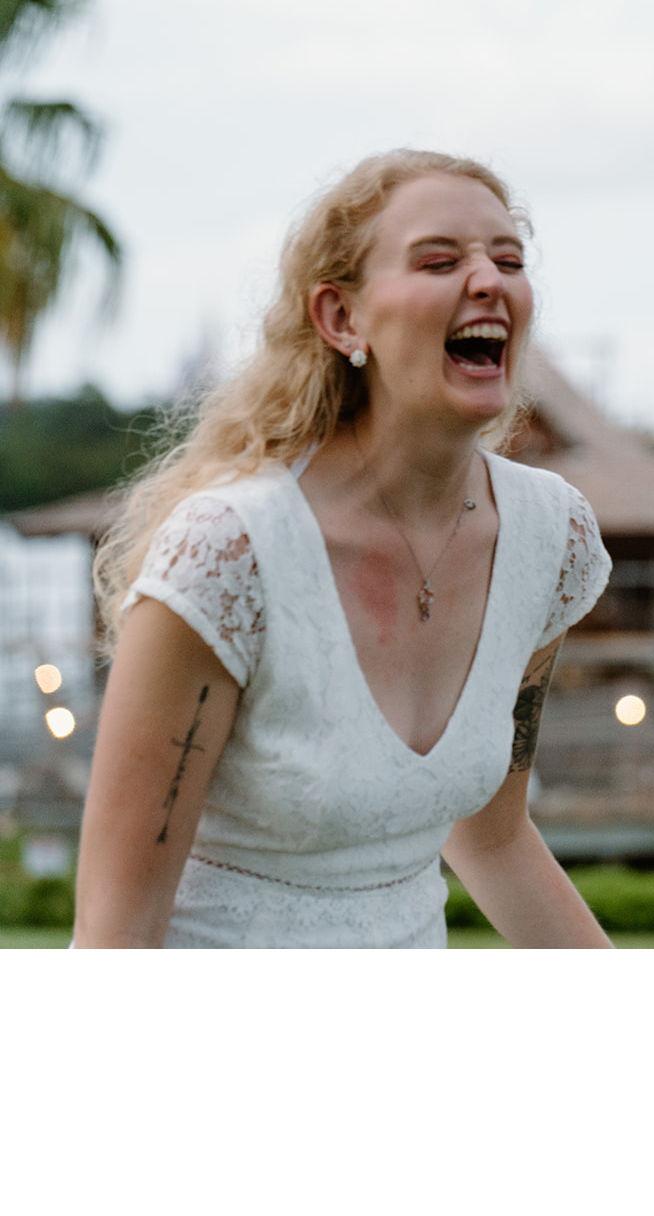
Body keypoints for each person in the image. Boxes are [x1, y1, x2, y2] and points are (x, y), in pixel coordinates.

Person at [74, 150, 613, 947]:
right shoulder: (229, 554)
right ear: (341, 318)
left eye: (509, 261)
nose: (489, 282)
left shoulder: (547, 537)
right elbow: (116, 932)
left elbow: (494, 839)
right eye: (440, 261)